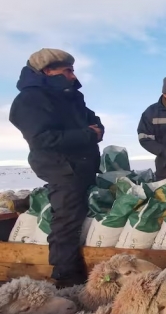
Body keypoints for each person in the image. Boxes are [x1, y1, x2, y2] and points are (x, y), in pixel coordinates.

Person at [9, 48, 104, 288]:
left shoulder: (69, 96)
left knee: (84, 215)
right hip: (62, 168)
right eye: (68, 70)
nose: (73, 76)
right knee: (67, 221)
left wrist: (96, 128)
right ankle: (66, 280)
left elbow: (91, 117)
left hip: (83, 166)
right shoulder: (30, 100)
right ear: (48, 71)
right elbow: (42, 139)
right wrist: (87, 135)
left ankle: (87, 268)